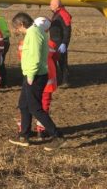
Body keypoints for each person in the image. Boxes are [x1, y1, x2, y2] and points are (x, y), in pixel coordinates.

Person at [9, 12, 66, 150]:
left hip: (34, 75)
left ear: (22, 24)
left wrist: (31, 75)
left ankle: (58, 136)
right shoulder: (36, 31)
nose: (17, 31)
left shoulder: (33, 34)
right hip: (31, 74)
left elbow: (34, 56)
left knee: (35, 108)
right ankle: (24, 136)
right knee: (23, 105)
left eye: (17, 28)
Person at [49, 0, 72, 88]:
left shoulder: (63, 14)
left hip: (60, 42)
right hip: (53, 42)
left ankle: (66, 81)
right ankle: (57, 80)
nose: (50, 6)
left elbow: (67, 30)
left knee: (62, 62)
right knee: (53, 62)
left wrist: (64, 43)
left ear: (57, 5)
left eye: (51, 4)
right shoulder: (56, 14)